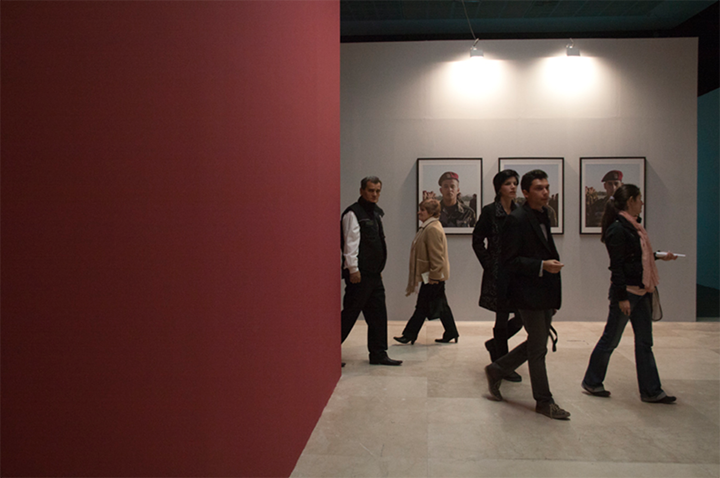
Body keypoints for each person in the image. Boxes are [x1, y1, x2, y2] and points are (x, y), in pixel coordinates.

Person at [484, 169, 571, 420]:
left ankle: (497, 368)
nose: (545, 192)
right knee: (538, 348)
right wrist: (541, 266)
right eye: (539, 188)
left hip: (544, 291)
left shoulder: (544, 214)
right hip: (527, 292)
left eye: (547, 187)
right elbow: (509, 261)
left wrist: (553, 293)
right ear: (526, 192)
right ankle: (544, 401)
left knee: (537, 342)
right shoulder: (517, 219)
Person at [581, 184, 678, 403]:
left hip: (642, 290)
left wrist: (659, 256)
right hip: (627, 293)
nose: (642, 203)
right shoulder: (618, 229)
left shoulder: (634, 227)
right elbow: (617, 267)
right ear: (630, 201)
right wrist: (622, 297)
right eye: (639, 199)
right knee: (611, 339)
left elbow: (637, 257)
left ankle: (651, 391)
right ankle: (592, 381)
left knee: (645, 342)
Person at [341, 176, 402, 366]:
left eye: (377, 191)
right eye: (370, 190)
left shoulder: (375, 213)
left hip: (374, 275)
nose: (374, 194)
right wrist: (353, 269)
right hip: (359, 276)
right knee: (349, 314)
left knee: (378, 315)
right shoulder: (353, 214)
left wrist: (378, 268)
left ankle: (378, 354)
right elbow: (350, 244)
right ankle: (327, 352)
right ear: (362, 191)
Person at [472, 170, 523, 382]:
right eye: (508, 183)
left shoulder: (520, 211)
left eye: (515, 183)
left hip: (518, 272)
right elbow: (477, 240)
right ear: (499, 188)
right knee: (501, 317)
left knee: (521, 318)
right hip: (498, 272)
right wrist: (489, 263)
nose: (513, 187)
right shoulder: (490, 211)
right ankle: (502, 363)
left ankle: (494, 345)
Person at [394, 199, 459, 345]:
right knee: (441, 305)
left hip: (432, 276)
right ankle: (451, 332)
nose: (419, 212)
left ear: (431, 212)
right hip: (432, 275)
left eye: (422, 210)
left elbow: (436, 256)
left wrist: (434, 276)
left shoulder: (432, 229)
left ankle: (409, 334)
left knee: (422, 306)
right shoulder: (429, 227)